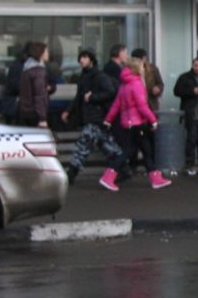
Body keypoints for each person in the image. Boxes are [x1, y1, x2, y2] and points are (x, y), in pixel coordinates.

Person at [100, 55, 169, 192]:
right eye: (142, 66)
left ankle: (155, 177)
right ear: (138, 68)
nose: (144, 68)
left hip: (128, 123)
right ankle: (109, 175)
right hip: (138, 123)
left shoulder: (124, 84)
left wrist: (108, 120)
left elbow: (116, 105)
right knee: (135, 151)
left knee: (143, 150)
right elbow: (142, 106)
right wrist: (153, 120)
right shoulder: (136, 83)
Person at [64, 50, 125, 181]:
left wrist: (93, 97)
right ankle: (123, 168)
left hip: (96, 116)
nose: (81, 60)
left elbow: (111, 92)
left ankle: (71, 173)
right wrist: (68, 111)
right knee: (107, 145)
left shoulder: (99, 76)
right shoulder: (84, 77)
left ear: (91, 60)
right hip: (92, 117)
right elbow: (79, 97)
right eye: (80, 58)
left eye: (84, 57)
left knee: (84, 144)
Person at [15, 41, 52, 130]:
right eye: (46, 51)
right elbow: (39, 95)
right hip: (35, 113)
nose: (48, 54)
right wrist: (42, 117)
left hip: (25, 111)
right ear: (40, 53)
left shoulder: (27, 69)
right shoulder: (38, 71)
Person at [131, 48, 163, 115]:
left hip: (151, 103)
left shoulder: (152, 68)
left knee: (152, 122)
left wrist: (158, 88)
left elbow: (160, 83)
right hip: (136, 105)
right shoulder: (130, 70)